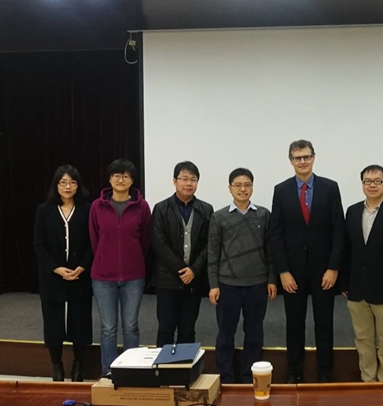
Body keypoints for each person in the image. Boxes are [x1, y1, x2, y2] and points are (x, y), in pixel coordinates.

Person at [270, 139, 345, 383]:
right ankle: (294, 372)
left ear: (313, 158)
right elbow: (276, 234)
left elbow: (338, 231)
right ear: (290, 161)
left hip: (324, 271)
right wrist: (282, 271)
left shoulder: (330, 187)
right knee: (294, 324)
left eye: (306, 157)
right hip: (292, 272)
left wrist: (333, 267)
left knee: (324, 324)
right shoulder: (281, 190)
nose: (302, 161)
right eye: (297, 158)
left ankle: (325, 373)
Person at [341, 164, 383, 382]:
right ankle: (368, 380)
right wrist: (344, 283)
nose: (372, 185)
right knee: (363, 339)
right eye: (367, 181)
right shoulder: (352, 211)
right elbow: (346, 250)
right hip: (357, 289)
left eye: (377, 181)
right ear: (362, 184)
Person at [208, 168, 277, 384]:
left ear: (252, 188)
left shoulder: (264, 214)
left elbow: (271, 250)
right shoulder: (219, 217)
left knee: (254, 334)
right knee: (225, 334)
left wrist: (272, 279)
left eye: (247, 185)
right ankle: (226, 378)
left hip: (257, 284)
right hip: (227, 285)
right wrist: (213, 284)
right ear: (230, 188)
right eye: (237, 185)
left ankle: (249, 378)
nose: (242, 189)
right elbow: (213, 253)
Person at [89, 158, 152, 376]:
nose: (121, 180)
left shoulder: (142, 206)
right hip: (103, 277)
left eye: (126, 176)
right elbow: (94, 239)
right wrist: (105, 258)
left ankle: (131, 370)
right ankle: (108, 371)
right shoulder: (97, 206)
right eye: (116, 175)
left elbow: (145, 240)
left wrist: (132, 259)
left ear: (132, 180)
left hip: (133, 276)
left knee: (131, 326)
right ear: (109, 179)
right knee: (108, 328)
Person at [34, 165, 93, 382]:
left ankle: (78, 368)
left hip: (80, 275)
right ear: (56, 185)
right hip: (52, 277)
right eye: (63, 182)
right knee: (53, 323)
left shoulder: (87, 209)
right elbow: (39, 245)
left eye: (72, 182)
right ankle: (57, 368)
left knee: (80, 322)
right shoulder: (44, 210)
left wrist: (83, 266)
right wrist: (56, 268)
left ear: (78, 185)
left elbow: (93, 242)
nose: (68, 187)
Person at [152, 161, 213, 348]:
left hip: (194, 281)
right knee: (166, 329)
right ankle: (163, 366)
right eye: (184, 179)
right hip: (167, 280)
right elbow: (159, 243)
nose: (188, 183)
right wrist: (181, 269)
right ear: (174, 181)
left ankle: (185, 366)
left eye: (193, 179)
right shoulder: (161, 208)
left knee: (188, 329)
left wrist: (194, 270)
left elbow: (209, 244)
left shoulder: (206, 209)